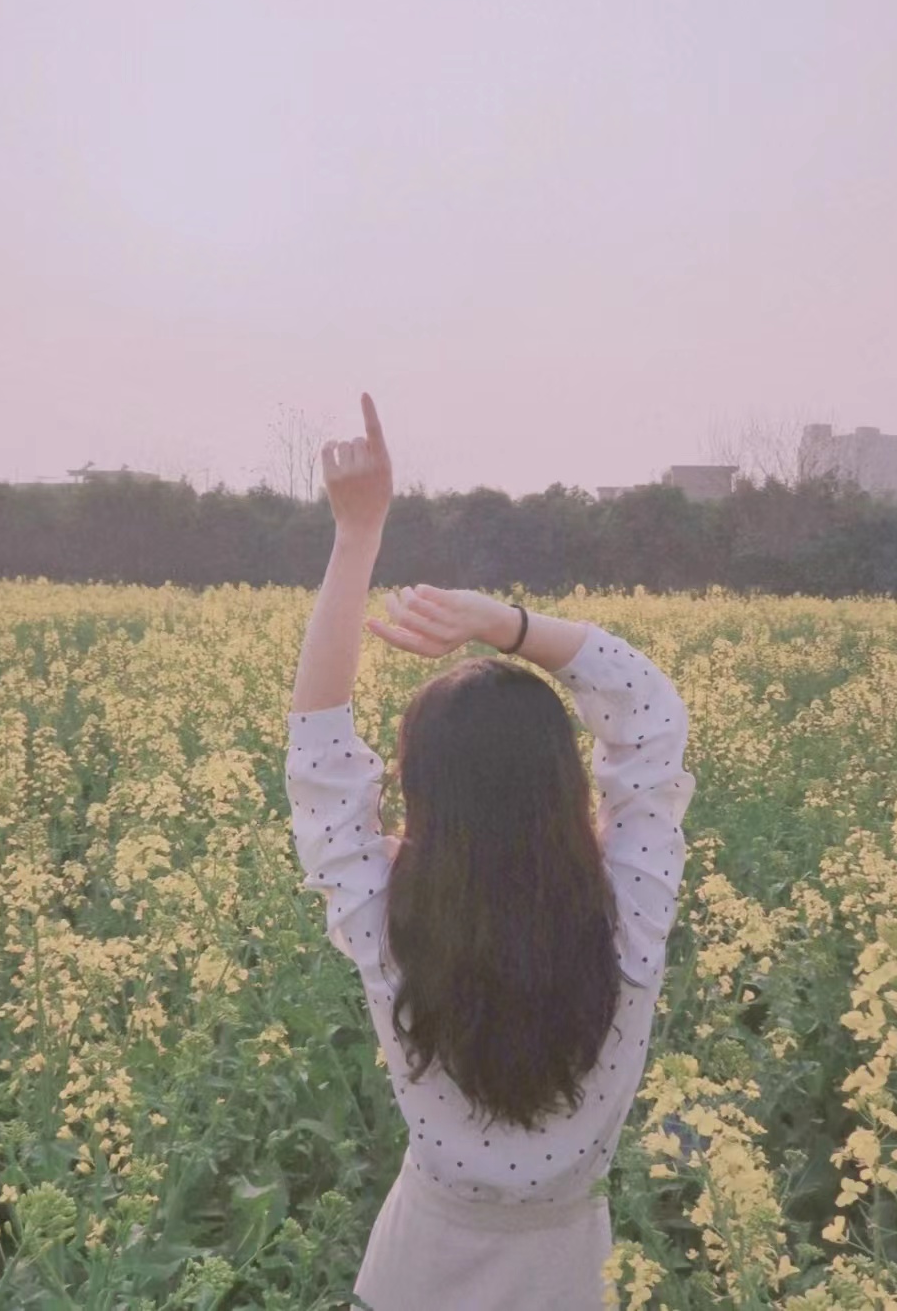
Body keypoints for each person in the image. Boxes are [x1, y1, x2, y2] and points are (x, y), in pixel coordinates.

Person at [285, 394, 696, 1311]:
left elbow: (316, 751)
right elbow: (650, 716)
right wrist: (502, 622)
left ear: (421, 795)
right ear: (567, 784)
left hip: (410, 1276)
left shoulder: (391, 921)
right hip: (569, 1282)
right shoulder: (625, 921)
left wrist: (357, 536)